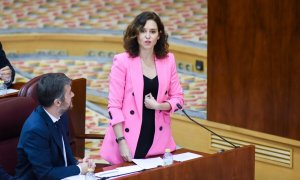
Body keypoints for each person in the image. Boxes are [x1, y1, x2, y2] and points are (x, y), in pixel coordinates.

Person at [100, 11, 184, 164]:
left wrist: (159, 105)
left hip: (158, 137)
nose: (147, 36)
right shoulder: (122, 61)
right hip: (128, 138)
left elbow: (178, 99)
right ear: (136, 34)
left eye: (152, 32)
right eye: (143, 31)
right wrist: (121, 141)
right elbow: (114, 106)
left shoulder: (168, 60)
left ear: (159, 36)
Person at [15, 73, 94, 180]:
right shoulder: (35, 130)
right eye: (69, 93)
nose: (73, 95)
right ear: (57, 102)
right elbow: (45, 174)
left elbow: (63, 151)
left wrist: (77, 162)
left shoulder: (60, 114)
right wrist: (79, 169)